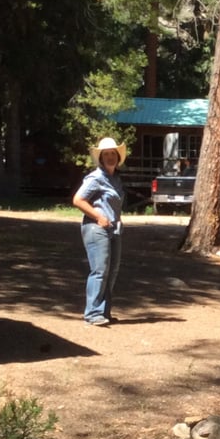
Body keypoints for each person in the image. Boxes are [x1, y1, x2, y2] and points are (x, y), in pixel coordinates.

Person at [72, 137, 127, 326]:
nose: (110, 157)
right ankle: (92, 313)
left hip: (114, 229)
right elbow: (78, 200)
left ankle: (104, 311)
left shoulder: (115, 179)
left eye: (113, 154)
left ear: (118, 157)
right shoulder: (95, 178)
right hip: (96, 228)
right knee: (100, 270)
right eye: (106, 154)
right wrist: (98, 217)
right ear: (101, 158)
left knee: (112, 271)